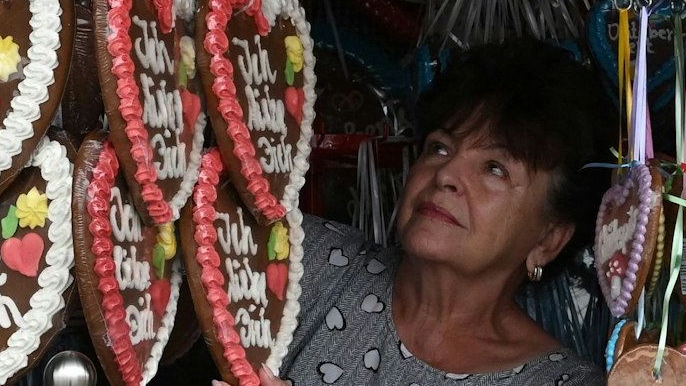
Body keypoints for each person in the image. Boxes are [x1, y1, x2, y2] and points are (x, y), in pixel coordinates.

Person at [246, 39, 613, 386]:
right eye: (439, 147)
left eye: (495, 168)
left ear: (548, 239)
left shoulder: (563, 382)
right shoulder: (304, 260)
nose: (447, 174)